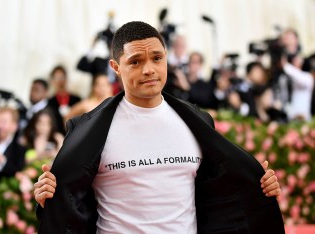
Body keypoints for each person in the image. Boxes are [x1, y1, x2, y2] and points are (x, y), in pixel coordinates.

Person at [34, 21, 284, 234]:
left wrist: (258, 185)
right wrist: (49, 196)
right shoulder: (87, 130)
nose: (149, 70)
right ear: (116, 68)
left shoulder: (198, 121)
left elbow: (221, 193)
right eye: (135, 62)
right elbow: (68, 199)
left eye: (157, 58)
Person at [0, 107, 26, 184]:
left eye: (4, 122)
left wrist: (0, 159)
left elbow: (16, 172)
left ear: (14, 126)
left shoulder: (19, 149)